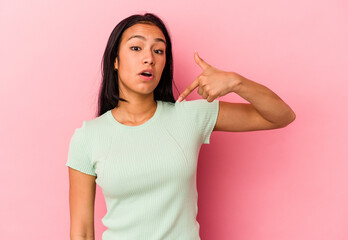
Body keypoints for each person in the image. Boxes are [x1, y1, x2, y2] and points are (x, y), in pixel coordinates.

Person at [66, 12, 296, 240]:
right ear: (115, 61)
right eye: (136, 48)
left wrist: (237, 82)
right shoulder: (88, 137)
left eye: (158, 51)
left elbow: (281, 116)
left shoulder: (190, 116)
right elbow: (82, 232)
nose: (149, 58)